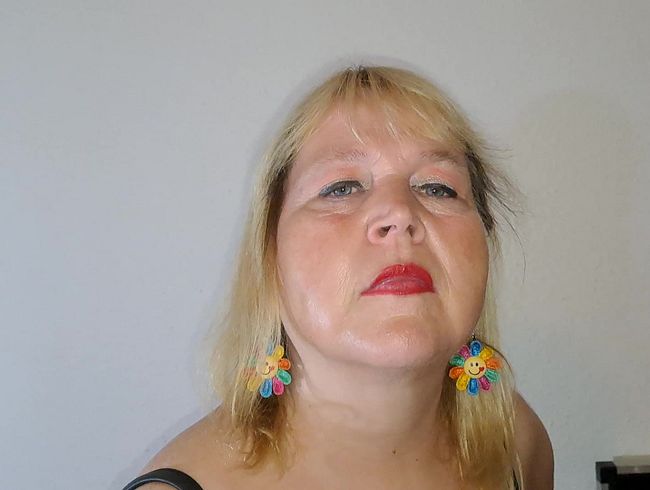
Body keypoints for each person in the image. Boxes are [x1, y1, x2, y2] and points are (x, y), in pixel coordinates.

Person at [123, 65, 553, 490]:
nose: (400, 213)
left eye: (437, 187)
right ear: (268, 253)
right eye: (342, 187)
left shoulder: (516, 444)